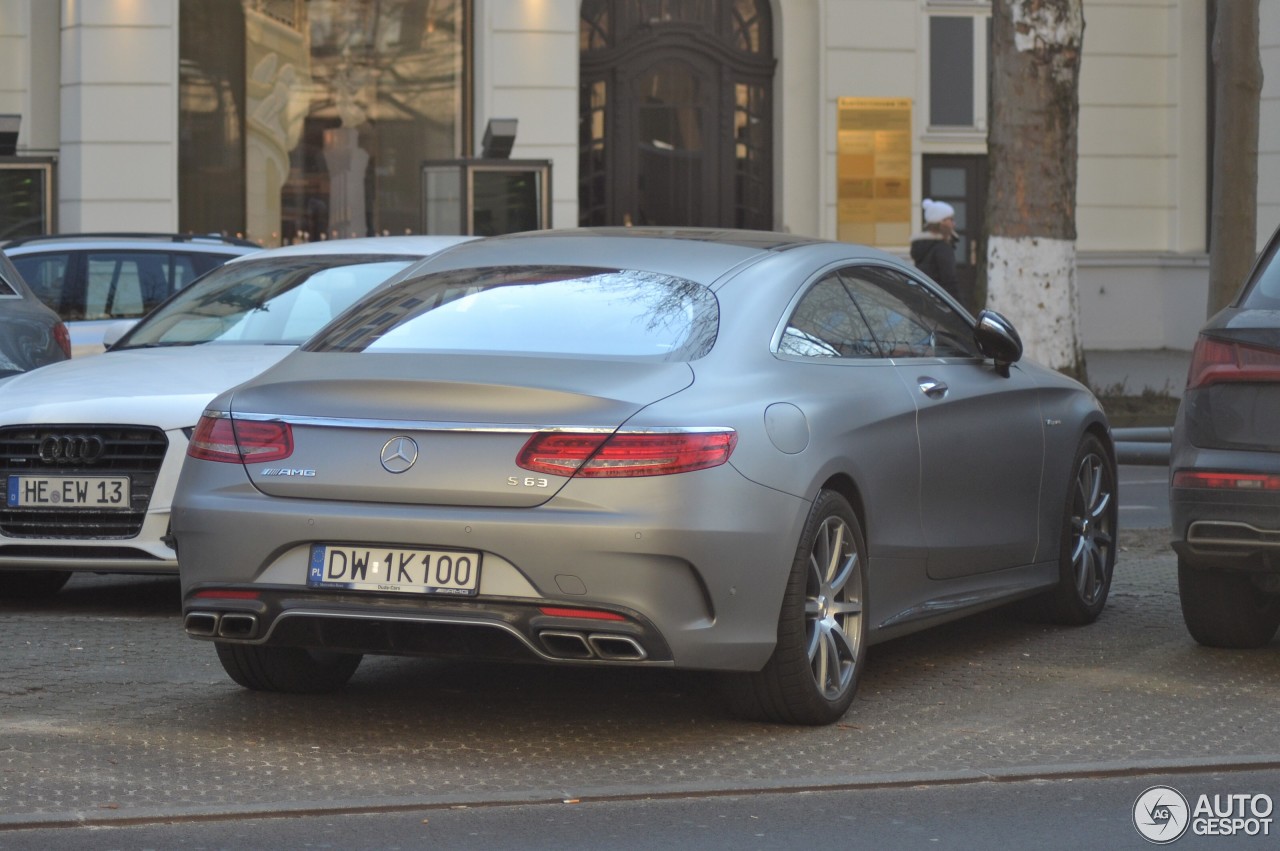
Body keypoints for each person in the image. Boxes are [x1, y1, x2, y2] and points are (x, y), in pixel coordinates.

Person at [910, 198, 959, 300]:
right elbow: (950, 282)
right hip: (940, 305)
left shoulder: (921, 245)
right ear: (942, 222)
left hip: (922, 301)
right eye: (951, 219)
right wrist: (961, 309)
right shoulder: (942, 248)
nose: (954, 224)